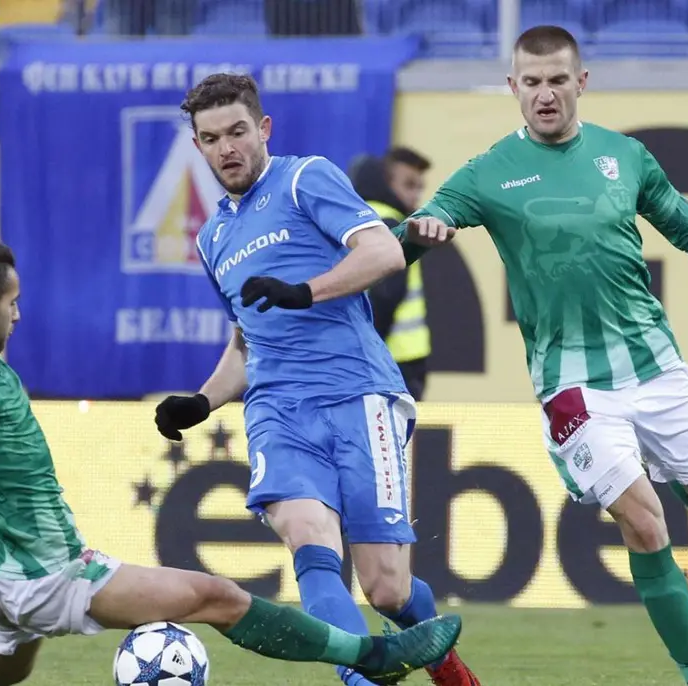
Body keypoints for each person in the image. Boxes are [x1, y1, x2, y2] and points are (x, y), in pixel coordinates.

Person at [0, 116, 464, 686]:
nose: (18, 315)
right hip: (50, 573)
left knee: (0, 672)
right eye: (11, 304)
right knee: (218, 598)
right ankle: (373, 658)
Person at [393, 25, 688, 686]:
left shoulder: (625, 156)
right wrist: (415, 234)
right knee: (645, 521)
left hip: (654, 367)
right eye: (532, 82)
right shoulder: (488, 172)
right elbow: (403, 241)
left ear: (581, 82)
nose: (545, 94)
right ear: (513, 87)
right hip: (571, 385)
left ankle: (664, 467)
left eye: (557, 80)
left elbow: (687, 225)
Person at [152, 73, 481, 686]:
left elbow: (384, 253)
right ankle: (358, 678)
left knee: (387, 589)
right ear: (197, 146)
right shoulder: (213, 236)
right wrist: (202, 401)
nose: (227, 148)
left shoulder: (306, 179)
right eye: (211, 138)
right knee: (309, 539)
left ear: (264, 129)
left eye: (237, 132)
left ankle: (446, 665)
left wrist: (305, 291)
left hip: (359, 394)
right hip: (277, 409)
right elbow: (247, 338)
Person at [349, 148, 433, 400]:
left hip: (383, 355)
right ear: (385, 183)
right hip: (395, 359)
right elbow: (387, 293)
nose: (416, 195)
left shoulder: (358, 217)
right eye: (408, 184)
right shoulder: (390, 223)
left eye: (419, 187)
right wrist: (371, 353)